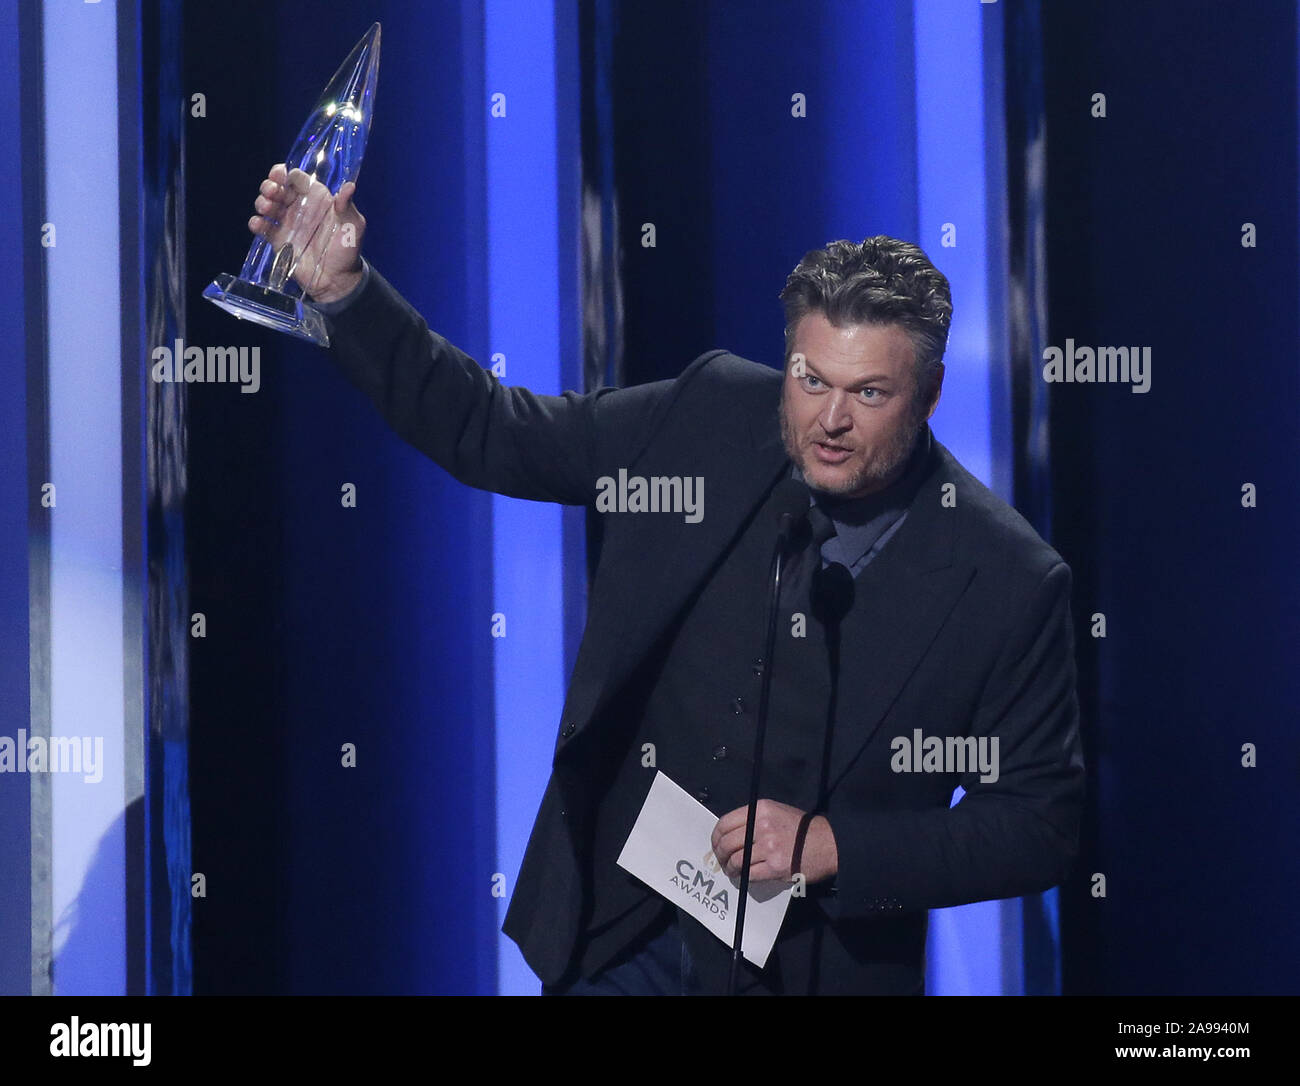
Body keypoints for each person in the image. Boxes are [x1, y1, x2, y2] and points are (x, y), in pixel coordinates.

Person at [248, 165, 1086, 996]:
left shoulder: (1005, 578)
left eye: (869, 393)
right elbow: (492, 430)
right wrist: (347, 291)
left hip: (809, 968)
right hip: (620, 932)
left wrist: (838, 847)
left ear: (930, 395)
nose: (830, 420)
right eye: (811, 380)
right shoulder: (708, 418)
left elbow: (1040, 822)